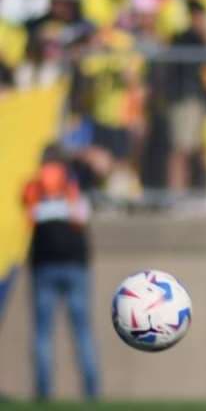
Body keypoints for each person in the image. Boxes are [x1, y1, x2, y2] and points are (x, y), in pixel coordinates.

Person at [22, 146, 99, 400]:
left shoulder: (34, 187)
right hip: (75, 264)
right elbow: (83, 215)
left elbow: (27, 210)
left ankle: (44, 393)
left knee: (43, 333)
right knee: (83, 331)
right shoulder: (73, 183)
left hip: (44, 263)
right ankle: (91, 393)